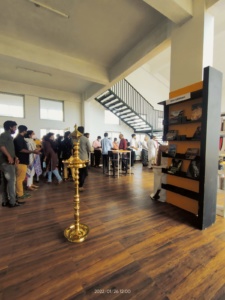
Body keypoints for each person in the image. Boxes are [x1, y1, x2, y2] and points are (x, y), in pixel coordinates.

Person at [0, 120, 24, 207]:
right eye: (15, 127)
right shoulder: (4, 135)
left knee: (5, 182)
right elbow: (1, 146)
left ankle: (5, 201)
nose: (15, 129)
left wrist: (15, 157)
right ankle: (12, 202)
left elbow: (9, 148)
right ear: (10, 127)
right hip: (7, 162)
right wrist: (9, 157)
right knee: (11, 181)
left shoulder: (8, 136)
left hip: (6, 162)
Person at [14, 125, 40, 199]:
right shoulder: (18, 139)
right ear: (24, 131)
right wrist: (32, 151)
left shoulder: (21, 138)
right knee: (20, 179)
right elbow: (21, 149)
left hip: (24, 160)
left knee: (21, 178)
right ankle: (20, 194)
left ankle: (20, 193)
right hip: (21, 160)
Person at [76, 126, 91, 191]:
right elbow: (89, 149)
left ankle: (77, 184)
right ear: (83, 131)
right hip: (84, 158)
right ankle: (80, 185)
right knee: (84, 172)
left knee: (77, 172)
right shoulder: (85, 139)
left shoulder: (74, 138)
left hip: (76, 158)